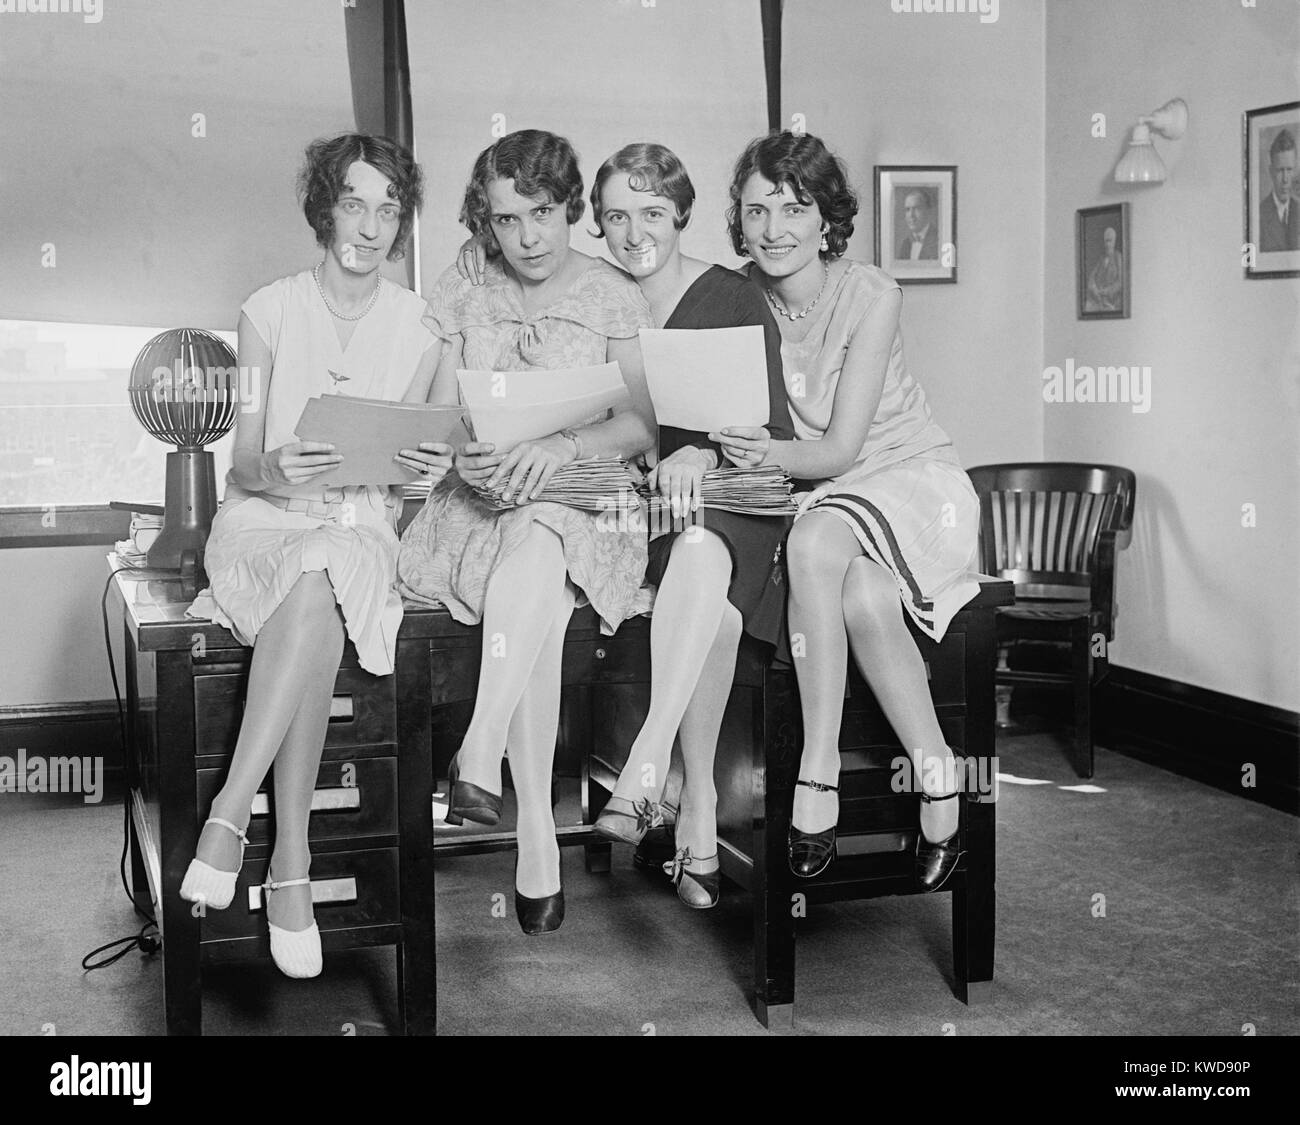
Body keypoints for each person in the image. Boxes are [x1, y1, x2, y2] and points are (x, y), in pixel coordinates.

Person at [181, 134, 450, 978]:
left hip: (360, 524)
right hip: (264, 519)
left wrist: (429, 468)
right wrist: (277, 467)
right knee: (312, 571)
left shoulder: (424, 325)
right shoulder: (266, 313)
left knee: (331, 556)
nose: (370, 227)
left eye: (387, 209)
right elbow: (244, 457)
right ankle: (288, 861)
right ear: (325, 208)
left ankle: (230, 814)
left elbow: (419, 464)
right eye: (354, 203)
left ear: (401, 222)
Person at [397, 129, 657, 934]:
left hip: (588, 495)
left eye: (542, 213)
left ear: (569, 206)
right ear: (488, 222)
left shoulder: (613, 291)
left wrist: (557, 447)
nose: (529, 237)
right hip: (480, 508)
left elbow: (643, 423)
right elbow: (434, 419)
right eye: (507, 221)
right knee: (532, 563)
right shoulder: (467, 286)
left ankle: (482, 753)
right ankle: (536, 832)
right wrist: (465, 458)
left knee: (544, 527)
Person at [713, 131, 980, 891]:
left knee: (815, 542)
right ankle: (939, 773)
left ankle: (816, 767)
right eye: (757, 209)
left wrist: (755, 453)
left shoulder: (872, 294)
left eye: (794, 209)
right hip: (826, 495)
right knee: (862, 594)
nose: (773, 228)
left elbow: (835, 450)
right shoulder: (736, 297)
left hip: (910, 480)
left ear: (826, 219)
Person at [581, 143, 794, 908]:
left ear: (680, 213)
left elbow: (767, 429)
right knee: (717, 616)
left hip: (738, 501)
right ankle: (696, 803)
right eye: (614, 215)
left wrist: (702, 452)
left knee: (703, 545)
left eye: (650, 212)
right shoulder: (599, 300)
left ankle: (648, 763)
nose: (633, 230)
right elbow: (599, 417)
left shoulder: (733, 296)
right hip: (648, 513)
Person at [1260, 128, 1299, 253]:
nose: (1285, 179)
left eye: (1289, 170)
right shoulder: (1259, 215)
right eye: (1280, 170)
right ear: (1271, 172)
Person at [1085, 226, 1124, 312]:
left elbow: (1121, 282)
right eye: (1106, 241)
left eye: (1110, 241)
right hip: (1099, 300)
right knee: (1087, 307)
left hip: (1113, 302)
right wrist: (1094, 288)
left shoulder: (1118, 257)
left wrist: (1106, 291)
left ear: (1114, 242)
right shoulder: (1101, 259)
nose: (1107, 244)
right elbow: (1092, 277)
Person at [896, 188, 938, 261]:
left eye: (916, 209)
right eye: (907, 209)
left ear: (928, 211)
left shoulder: (938, 240)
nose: (911, 215)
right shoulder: (905, 244)